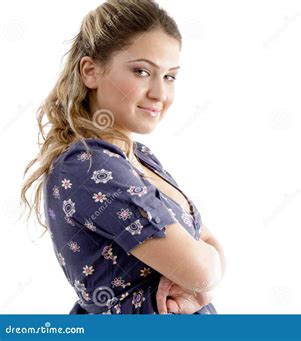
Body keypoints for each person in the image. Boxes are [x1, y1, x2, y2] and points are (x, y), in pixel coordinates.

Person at [20, 0, 226, 314]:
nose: (160, 93)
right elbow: (200, 268)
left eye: (170, 76)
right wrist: (203, 274)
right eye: (142, 71)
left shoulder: (139, 158)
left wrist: (201, 277)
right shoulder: (87, 166)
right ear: (91, 71)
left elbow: (204, 255)